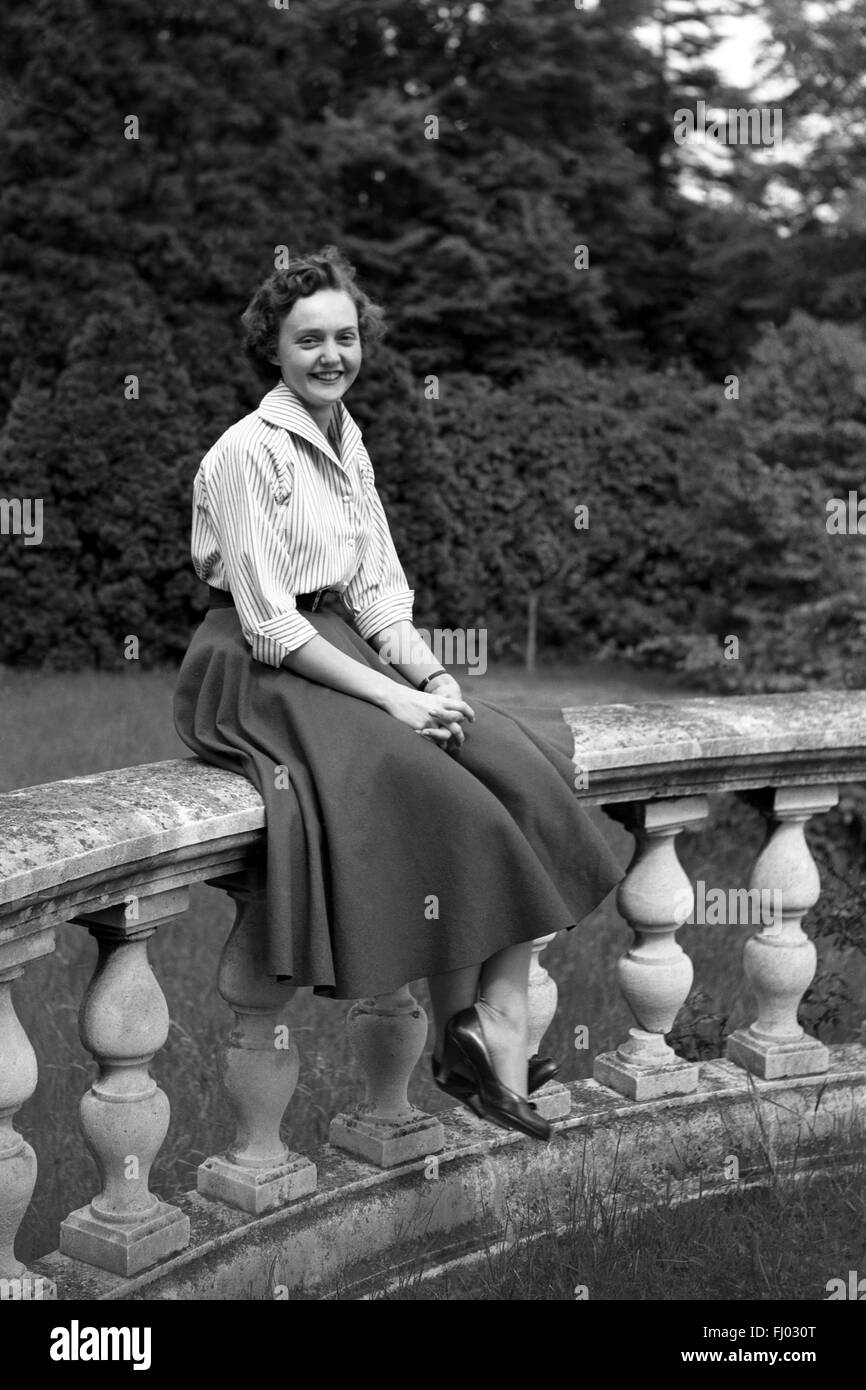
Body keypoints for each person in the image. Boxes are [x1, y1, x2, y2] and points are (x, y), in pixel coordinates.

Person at [173, 246, 623, 1143]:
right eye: (310, 340)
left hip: (337, 642)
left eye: (345, 336)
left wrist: (427, 674)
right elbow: (269, 624)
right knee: (437, 783)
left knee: (506, 757)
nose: (331, 354)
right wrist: (392, 704)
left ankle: (477, 1021)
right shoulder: (243, 454)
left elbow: (378, 589)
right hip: (259, 668)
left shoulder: (349, 437)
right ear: (275, 347)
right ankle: (487, 1025)